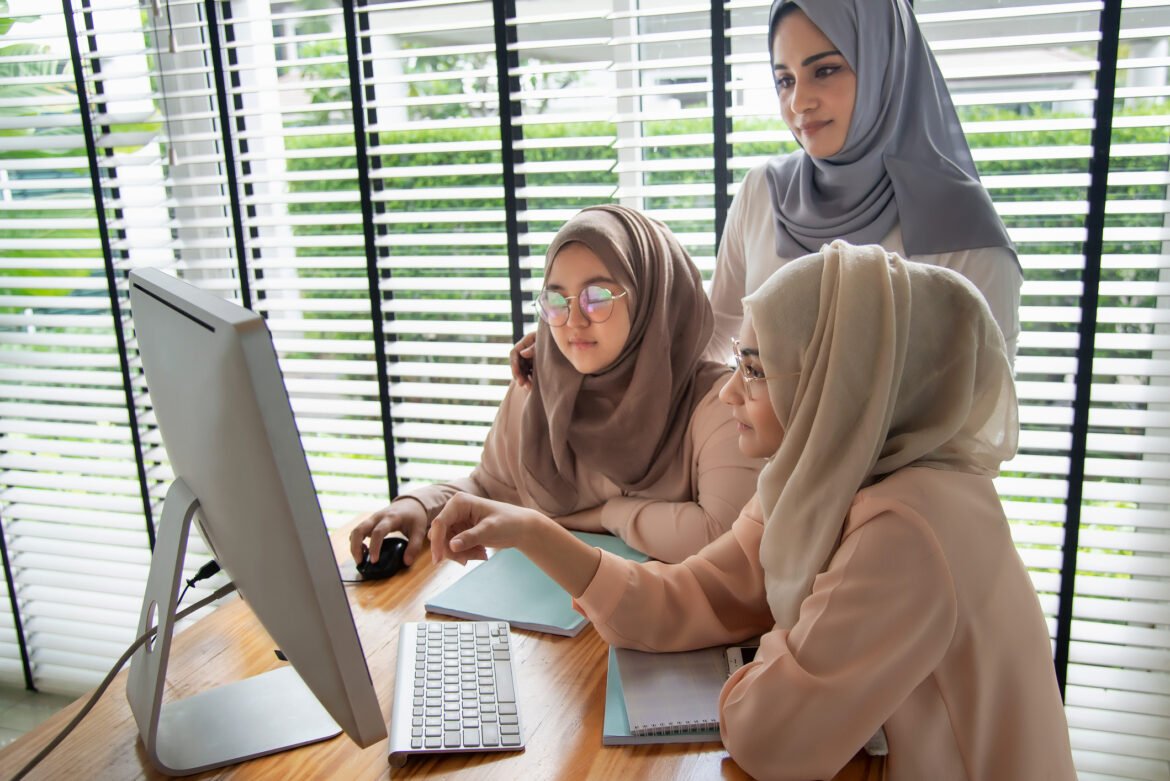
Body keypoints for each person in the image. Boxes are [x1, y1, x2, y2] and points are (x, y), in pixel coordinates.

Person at [429, 241, 1075, 780]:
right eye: (738, 362)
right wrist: (534, 532)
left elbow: (769, 737)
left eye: (757, 370)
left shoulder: (908, 524)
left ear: (837, 382)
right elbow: (693, 594)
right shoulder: (817, 483)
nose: (732, 390)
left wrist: (771, 637)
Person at [509, 0, 1022, 388]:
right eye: (783, 79)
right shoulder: (764, 192)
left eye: (825, 69)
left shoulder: (960, 226)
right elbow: (711, 346)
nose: (799, 101)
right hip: (753, 493)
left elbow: (979, 419)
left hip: (887, 513)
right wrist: (574, 351)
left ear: (887, 64)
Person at [350, 204, 761, 567]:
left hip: (659, 634)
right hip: (547, 636)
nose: (573, 321)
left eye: (597, 297)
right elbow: (490, 488)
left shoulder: (721, 403)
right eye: (557, 300)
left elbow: (724, 535)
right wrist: (421, 504)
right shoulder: (538, 389)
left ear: (656, 298)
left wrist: (606, 516)